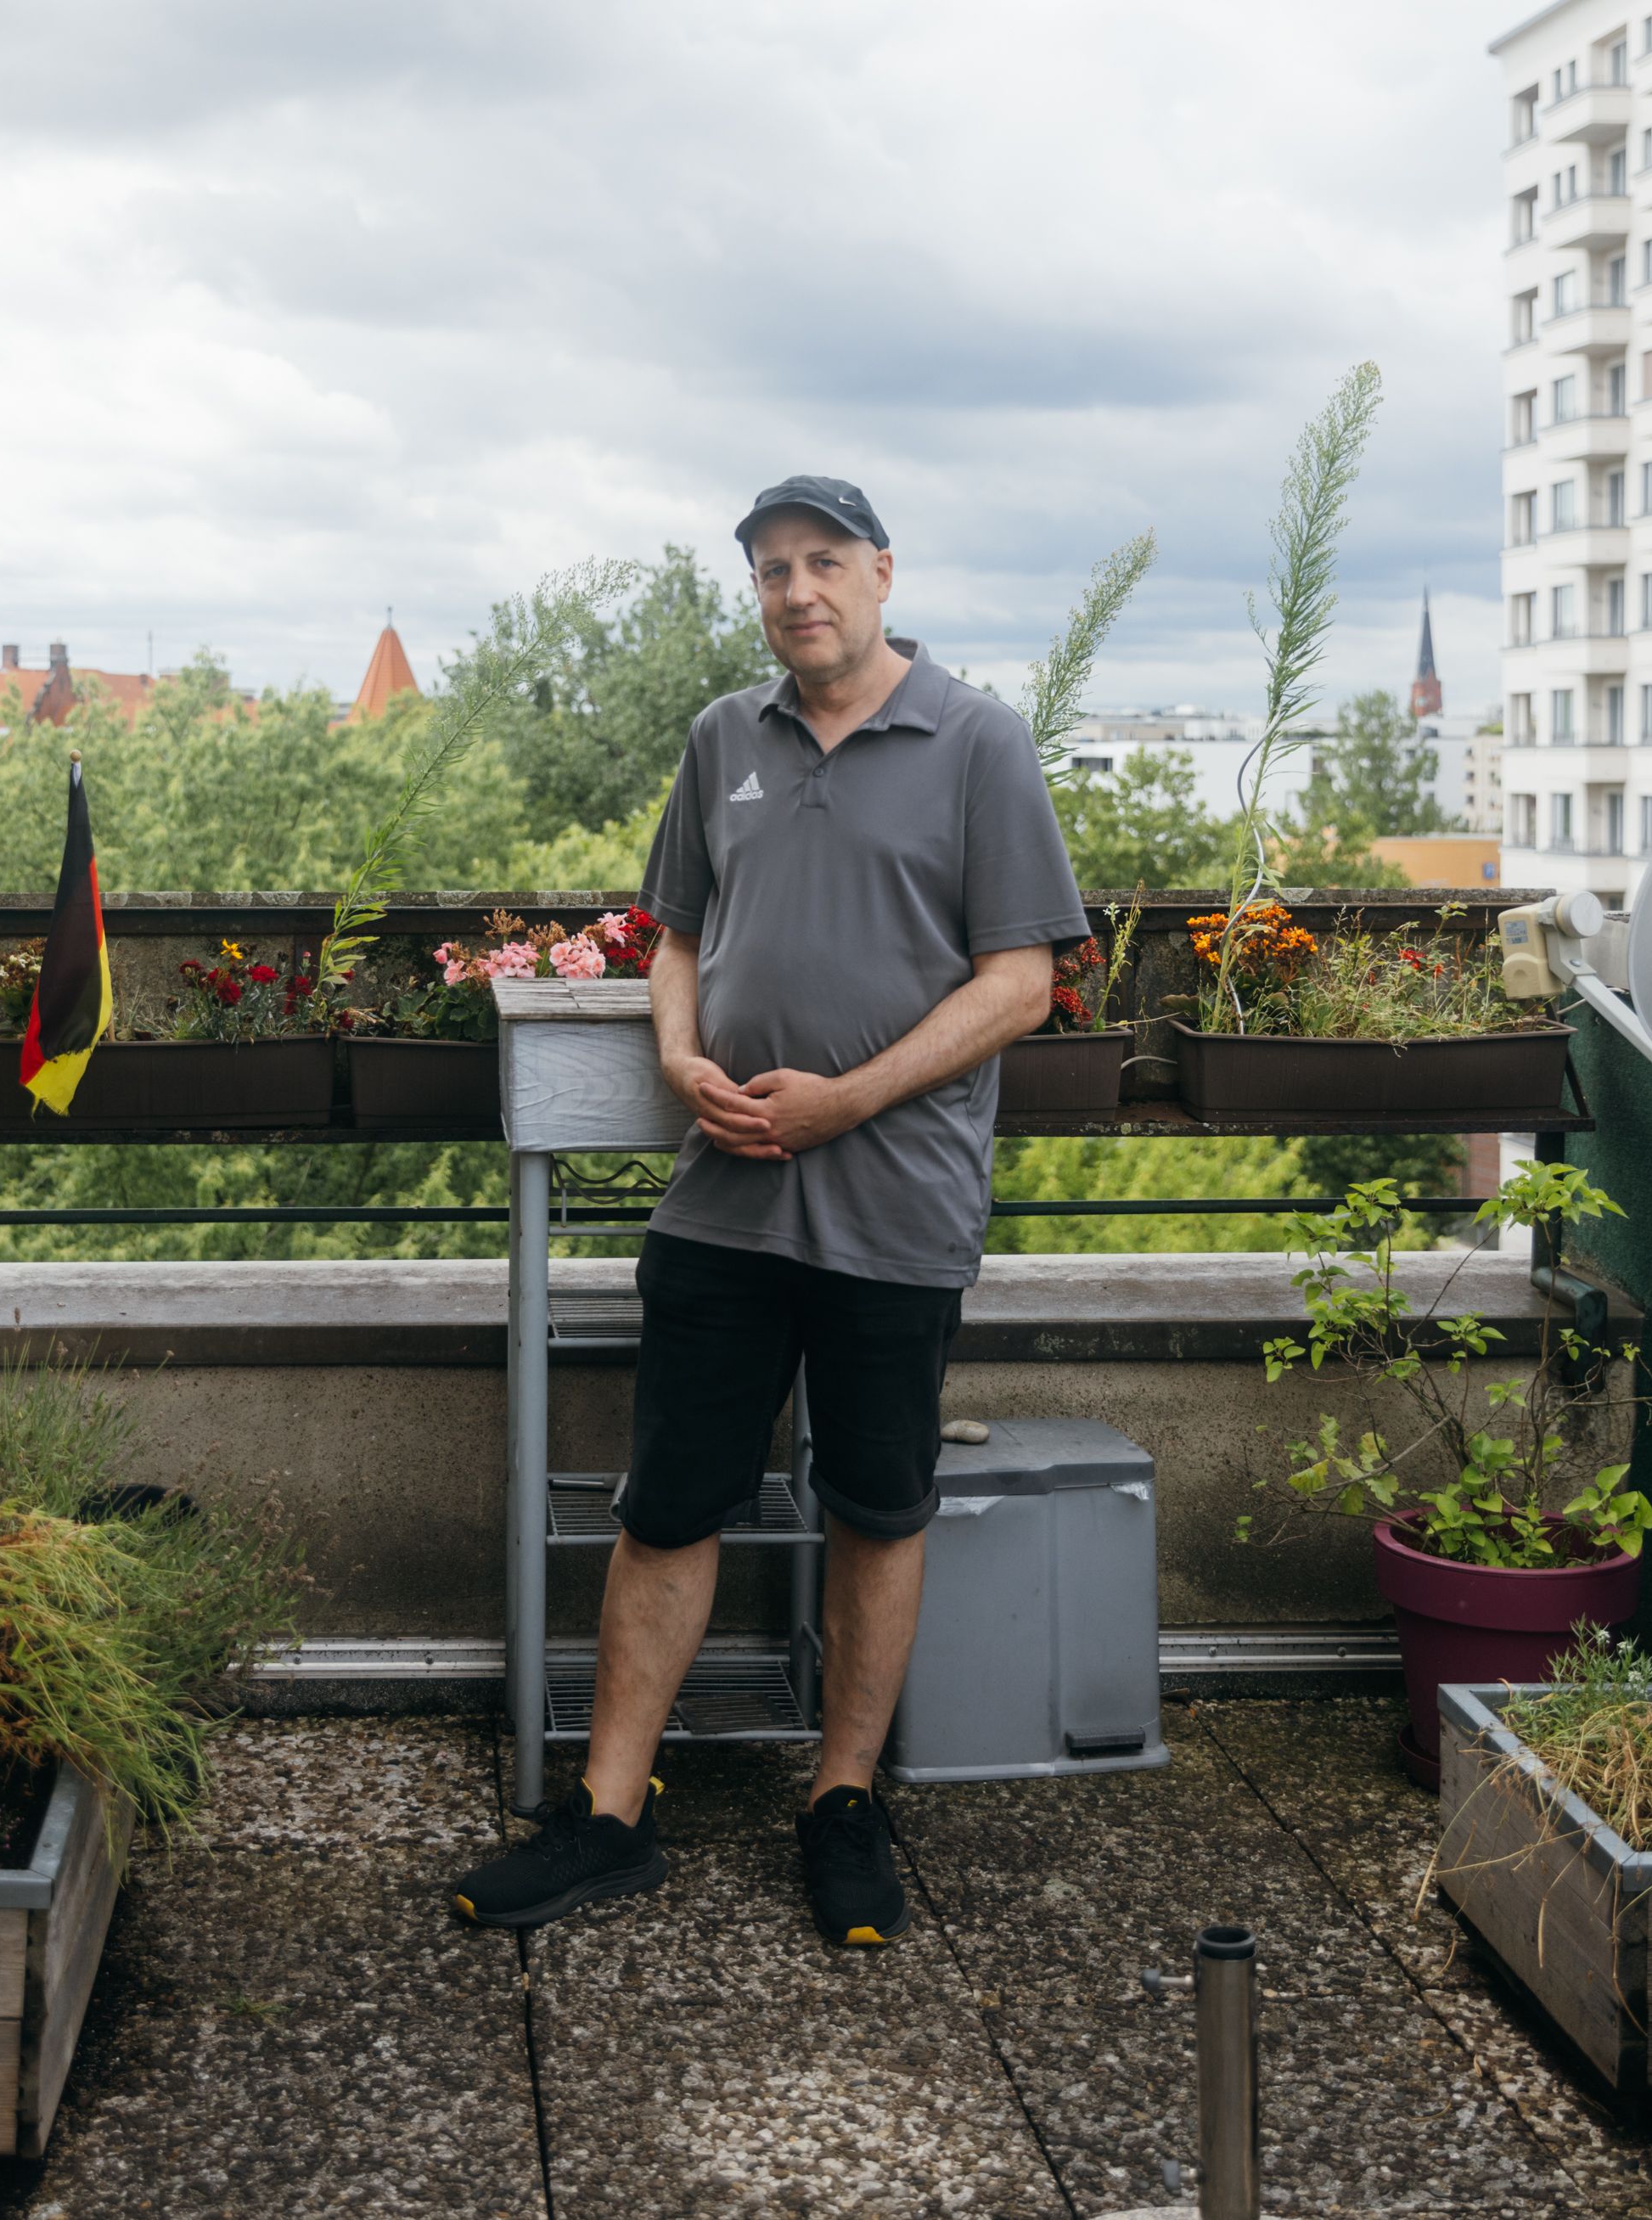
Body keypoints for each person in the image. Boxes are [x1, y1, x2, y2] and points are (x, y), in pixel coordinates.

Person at [450, 475, 1085, 1946]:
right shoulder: (720, 738)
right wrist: (677, 1056)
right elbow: (674, 934)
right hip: (724, 1199)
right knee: (668, 1502)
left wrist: (847, 1100)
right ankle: (609, 1813)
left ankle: (842, 1801)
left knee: (875, 1503)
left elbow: (1023, 981)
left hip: (897, 1202)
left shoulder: (978, 739)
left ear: (878, 573)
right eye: (769, 569)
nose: (795, 589)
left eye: (821, 562)